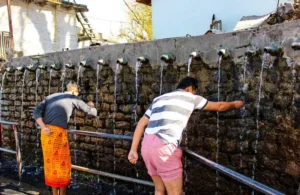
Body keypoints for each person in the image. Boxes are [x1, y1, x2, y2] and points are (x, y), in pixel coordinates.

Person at [128, 76, 245, 195]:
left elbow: (141, 124)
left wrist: (133, 150)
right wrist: (235, 104)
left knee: (159, 190)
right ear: (190, 89)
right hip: (164, 147)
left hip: (146, 146)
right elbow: (220, 106)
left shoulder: (159, 99)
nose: (195, 94)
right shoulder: (191, 98)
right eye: (195, 91)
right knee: (175, 193)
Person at [33, 80, 97, 195]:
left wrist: (43, 127)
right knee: (63, 166)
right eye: (77, 93)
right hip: (58, 135)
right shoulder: (72, 97)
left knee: (51, 166)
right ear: (74, 91)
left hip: (46, 135)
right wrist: (92, 106)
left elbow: (36, 112)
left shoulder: (51, 97)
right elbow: (90, 112)